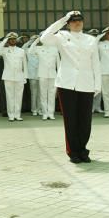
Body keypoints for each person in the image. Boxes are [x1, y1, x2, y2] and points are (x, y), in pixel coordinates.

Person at [40, 12, 101, 162]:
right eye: (73, 21)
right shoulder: (61, 36)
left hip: (86, 83)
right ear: (68, 23)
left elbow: (96, 63)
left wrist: (97, 84)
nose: (77, 23)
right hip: (67, 83)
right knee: (71, 120)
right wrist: (62, 20)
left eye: (79, 20)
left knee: (85, 120)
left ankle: (83, 150)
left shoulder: (91, 40)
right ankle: (73, 151)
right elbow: (44, 38)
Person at [0, 33, 29, 121]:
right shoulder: (4, 50)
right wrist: (4, 40)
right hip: (8, 76)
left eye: (14, 39)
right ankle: (11, 115)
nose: (12, 40)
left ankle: (17, 115)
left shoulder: (21, 51)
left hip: (19, 76)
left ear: (16, 40)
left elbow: (24, 64)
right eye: (10, 39)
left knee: (19, 96)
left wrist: (25, 77)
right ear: (8, 40)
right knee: (9, 96)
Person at [28, 35, 59, 120]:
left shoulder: (55, 49)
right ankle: (45, 113)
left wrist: (59, 76)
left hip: (53, 74)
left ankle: (51, 113)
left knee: (52, 95)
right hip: (42, 74)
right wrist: (36, 41)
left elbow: (59, 64)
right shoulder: (38, 49)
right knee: (43, 94)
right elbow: (30, 51)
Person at [25, 34, 41, 115]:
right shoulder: (28, 50)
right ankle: (34, 109)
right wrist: (30, 41)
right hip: (32, 74)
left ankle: (39, 109)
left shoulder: (41, 49)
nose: (35, 41)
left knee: (40, 93)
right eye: (33, 40)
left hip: (40, 74)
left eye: (36, 40)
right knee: (33, 93)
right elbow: (23, 48)